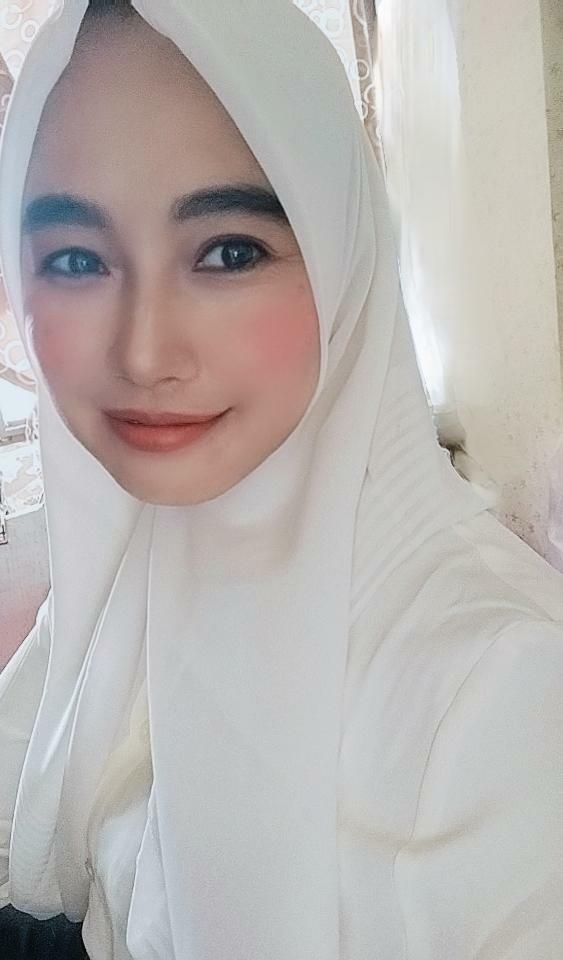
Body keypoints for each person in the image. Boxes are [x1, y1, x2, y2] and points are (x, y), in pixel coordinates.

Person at [0, 1, 562, 958]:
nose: (143, 353)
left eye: (229, 252)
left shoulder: (502, 703)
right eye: (78, 259)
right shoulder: (137, 557)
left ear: (345, 260)